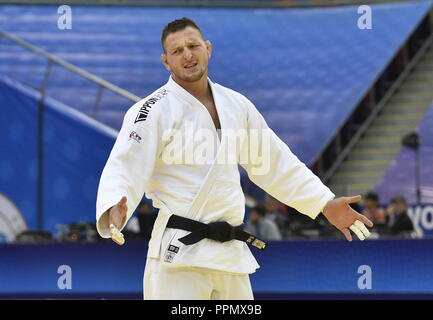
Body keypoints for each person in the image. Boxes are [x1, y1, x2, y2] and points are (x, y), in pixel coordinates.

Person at [96, 17, 373, 300]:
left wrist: (323, 202)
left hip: (230, 256)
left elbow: (274, 162)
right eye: (177, 51)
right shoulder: (152, 110)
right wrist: (115, 205)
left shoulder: (236, 105)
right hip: (178, 257)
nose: (187, 55)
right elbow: (126, 163)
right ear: (166, 61)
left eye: (193, 46)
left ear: (208, 49)